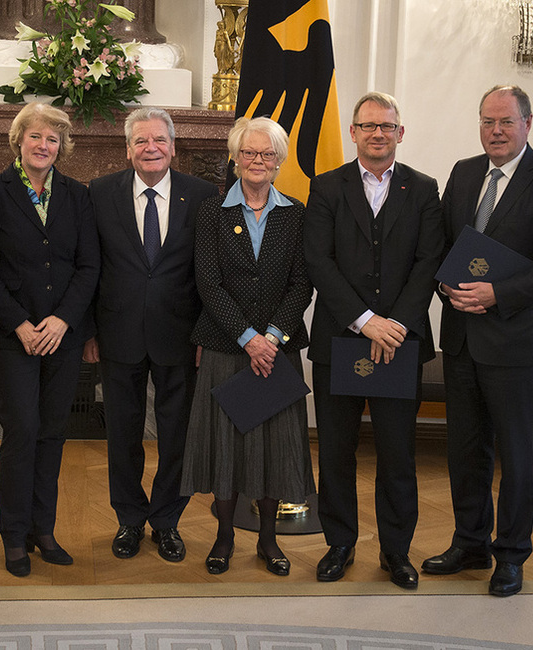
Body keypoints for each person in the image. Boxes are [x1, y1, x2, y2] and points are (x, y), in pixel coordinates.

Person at [423, 85, 533, 597]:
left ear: (527, 124)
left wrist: (497, 294)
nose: (496, 130)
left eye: (506, 122)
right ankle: (470, 541)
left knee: (514, 453)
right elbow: (444, 243)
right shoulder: (465, 172)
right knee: (465, 450)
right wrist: (445, 285)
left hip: (517, 343)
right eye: (488, 121)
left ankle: (511, 555)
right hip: (463, 338)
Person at [303, 92, 444, 590]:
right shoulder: (325, 187)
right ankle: (339, 544)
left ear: (400, 133)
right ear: (354, 133)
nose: (377, 134)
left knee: (397, 453)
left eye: (387, 126)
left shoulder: (424, 189)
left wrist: (396, 325)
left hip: (400, 341)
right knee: (337, 451)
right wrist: (366, 322)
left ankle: (395, 551)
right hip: (341, 339)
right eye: (368, 126)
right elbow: (318, 261)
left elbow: (430, 262)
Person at [180, 116, 314, 576]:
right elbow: (208, 283)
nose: (258, 161)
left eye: (267, 154)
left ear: (278, 161)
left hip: (277, 351)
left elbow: (303, 284)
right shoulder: (211, 213)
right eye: (249, 153)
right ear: (235, 159)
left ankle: (269, 542)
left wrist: (271, 338)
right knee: (226, 448)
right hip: (225, 347)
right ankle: (222, 538)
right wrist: (247, 338)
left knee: (274, 447)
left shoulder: (296, 214)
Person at [0, 102, 99, 577]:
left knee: (51, 433)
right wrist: (21, 323)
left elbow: (89, 265)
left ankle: (43, 530)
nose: (44, 145)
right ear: (18, 140)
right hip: (14, 337)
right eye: (36, 137)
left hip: (62, 337)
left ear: (61, 146)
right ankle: (13, 536)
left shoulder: (77, 195)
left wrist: (64, 321)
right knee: (21, 431)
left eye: (53, 139)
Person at [86, 108, 218, 562]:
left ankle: (166, 522)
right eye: (141, 141)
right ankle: (128, 519)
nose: (151, 148)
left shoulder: (202, 195)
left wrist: (206, 332)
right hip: (116, 334)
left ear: (173, 146)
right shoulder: (100, 194)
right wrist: (89, 332)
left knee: (175, 435)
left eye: (159, 140)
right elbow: (90, 268)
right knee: (122, 434)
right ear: (127, 149)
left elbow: (209, 271)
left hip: (180, 336)